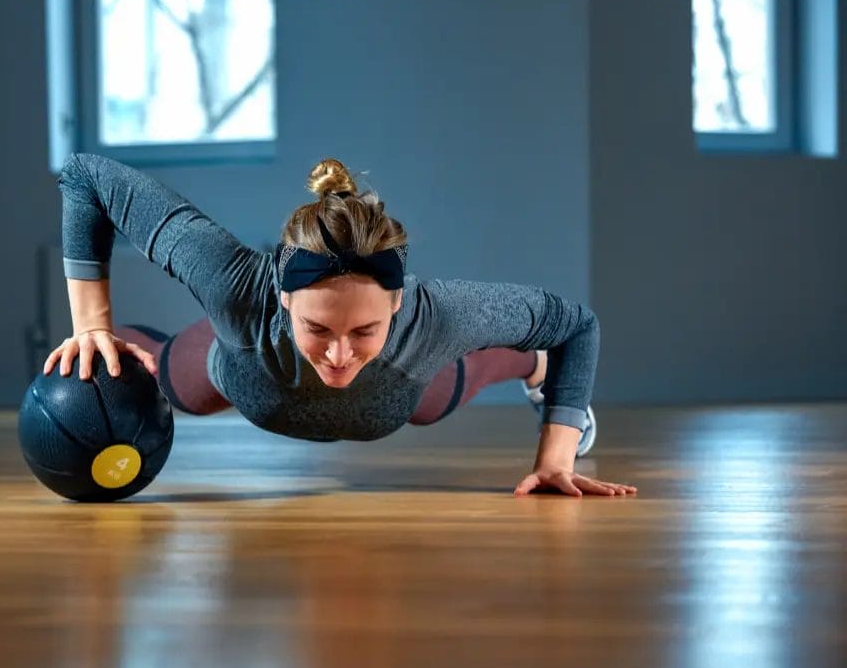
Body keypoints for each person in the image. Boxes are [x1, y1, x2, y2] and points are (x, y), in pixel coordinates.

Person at [43, 153, 636, 497]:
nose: (339, 355)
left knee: (449, 388)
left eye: (364, 331)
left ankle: (533, 368)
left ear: (398, 304)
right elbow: (86, 177)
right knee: (171, 385)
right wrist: (92, 325)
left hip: (403, 391)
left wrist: (556, 457)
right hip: (238, 373)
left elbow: (576, 324)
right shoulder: (235, 285)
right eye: (318, 329)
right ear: (282, 297)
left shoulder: (438, 319)